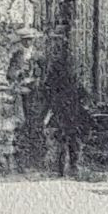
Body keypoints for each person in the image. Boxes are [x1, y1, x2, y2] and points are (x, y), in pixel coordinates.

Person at [41, 42, 89, 178]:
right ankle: (72, 166)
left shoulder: (55, 67)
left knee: (63, 139)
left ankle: (63, 168)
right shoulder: (74, 68)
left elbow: (48, 88)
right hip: (71, 109)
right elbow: (81, 90)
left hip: (62, 108)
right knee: (72, 139)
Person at [6, 27, 45, 169]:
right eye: (25, 40)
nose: (28, 42)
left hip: (35, 93)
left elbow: (44, 75)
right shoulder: (17, 55)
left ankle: (37, 157)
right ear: (21, 41)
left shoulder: (39, 56)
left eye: (30, 39)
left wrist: (36, 81)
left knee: (36, 123)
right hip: (21, 93)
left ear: (33, 40)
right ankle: (22, 158)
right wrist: (18, 74)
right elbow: (9, 74)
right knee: (22, 123)